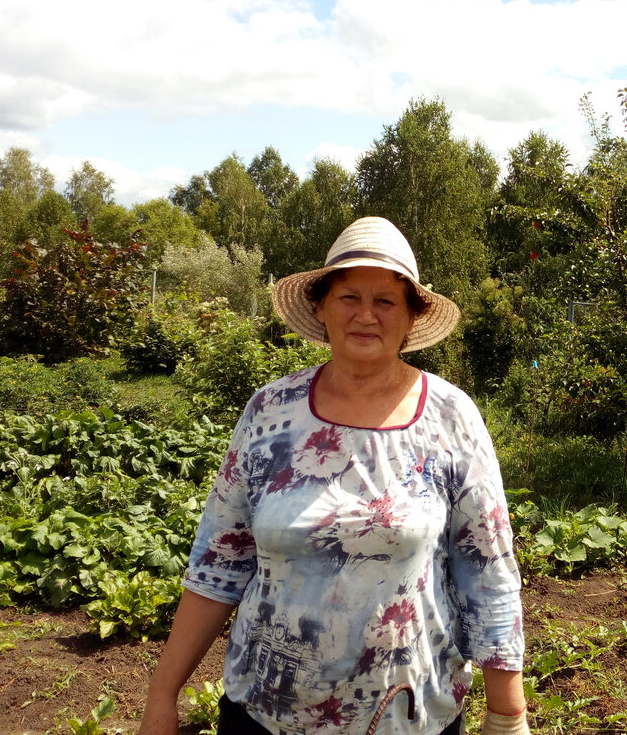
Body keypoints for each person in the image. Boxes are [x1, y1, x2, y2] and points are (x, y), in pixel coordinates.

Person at [139, 217, 528, 735]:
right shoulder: (270, 411)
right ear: (321, 308)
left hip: (408, 715)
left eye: (386, 300)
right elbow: (219, 561)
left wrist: (507, 713)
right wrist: (162, 696)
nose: (366, 315)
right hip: (264, 713)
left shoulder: (451, 417)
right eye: (348, 296)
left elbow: (487, 568)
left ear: (412, 315)